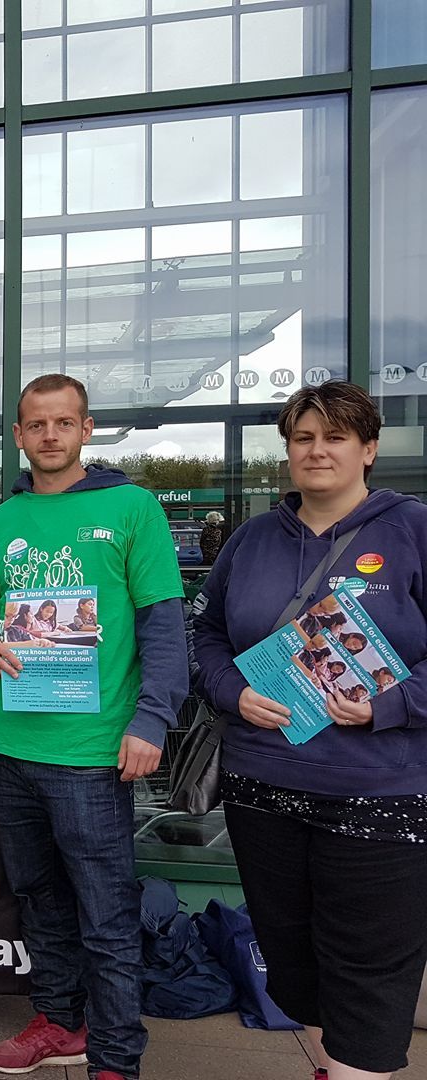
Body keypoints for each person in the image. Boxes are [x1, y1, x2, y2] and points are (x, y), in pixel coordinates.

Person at [191, 380, 427, 1080]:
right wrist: (233, 691)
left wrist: (388, 706)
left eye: (334, 437)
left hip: (378, 792)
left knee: (367, 971)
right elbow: (204, 635)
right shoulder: (253, 538)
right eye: (302, 438)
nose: (316, 450)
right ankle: (332, 1066)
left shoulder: (411, 530)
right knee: (294, 961)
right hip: (263, 787)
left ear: (369, 449)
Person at [0, 374, 188, 1080]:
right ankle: (59, 1021)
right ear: (21, 435)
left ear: (86, 429)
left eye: (65, 422)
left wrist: (152, 719)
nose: (51, 435)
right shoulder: (1, 523)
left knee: (107, 915)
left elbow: (165, 628)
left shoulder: (131, 508)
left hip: (93, 752)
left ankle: (115, 1058)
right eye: (38, 424)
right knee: (37, 898)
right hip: (12, 744)